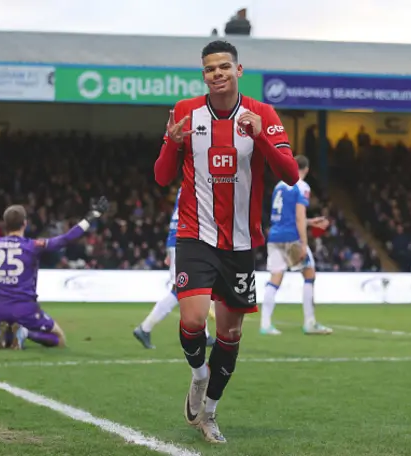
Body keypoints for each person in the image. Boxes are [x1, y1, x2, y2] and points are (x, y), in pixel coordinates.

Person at [154, 39, 299, 444]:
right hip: (194, 235)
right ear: (204, 75)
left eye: (223, 67)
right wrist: (171, 142)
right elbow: (162, 177)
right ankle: (198, 376)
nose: (216, 73)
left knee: (231, 335)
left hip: (239, 243)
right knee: (195, 320)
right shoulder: (185, 113)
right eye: (209, 69)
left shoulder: (262, 114)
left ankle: (211, 412)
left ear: (239, 70)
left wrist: (263, 138)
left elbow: (290, 174)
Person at [0, 196, 108, 349]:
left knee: (9, 328)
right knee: (59, 339)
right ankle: (26, 333)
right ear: (25, 223)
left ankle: (7, 335)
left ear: (5, 225)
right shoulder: (33, 246)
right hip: (26, 309)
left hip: (0, 311)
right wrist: (91, 216)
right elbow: (66, 239)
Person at [133, 188, 215, 349]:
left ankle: (203, 335)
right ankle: (144, 328)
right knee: (181, 291)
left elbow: (178, 216)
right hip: (186, 243)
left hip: (179, 242)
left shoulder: (187, 185)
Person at [260, 155, 333, 335]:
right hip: (292, 238)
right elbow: (298, 217)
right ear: (306, 169)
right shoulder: (302, 186)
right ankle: (309, 322)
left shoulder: (279, 186)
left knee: (275, 277)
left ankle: (265, 324)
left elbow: (288, 216)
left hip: (275, 235)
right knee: (309, 274)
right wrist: (304, 242)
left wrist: (310, 222)